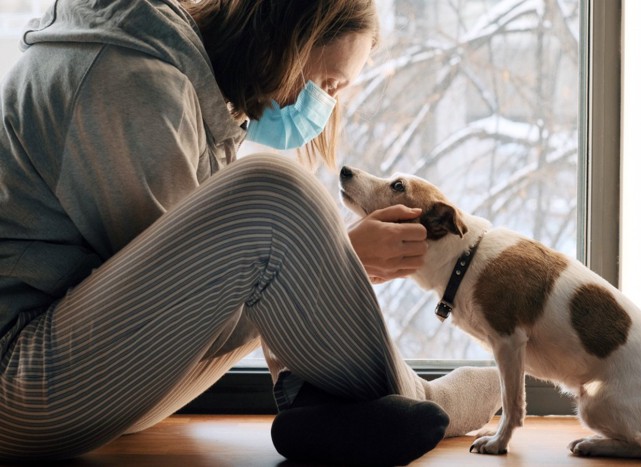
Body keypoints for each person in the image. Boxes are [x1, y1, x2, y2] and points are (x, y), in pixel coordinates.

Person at [0, 0, 502, 465]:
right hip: (18, 382)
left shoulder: (177, 89)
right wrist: (337, 259)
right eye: (327, 84)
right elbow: (194, 304)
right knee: (274, 191)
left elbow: (190, 295)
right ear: (288, 42)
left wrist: (322, 264)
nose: (324, 107)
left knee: (278, 210)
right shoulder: (130, 82)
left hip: (68, 378)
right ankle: (423, 401)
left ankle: (321, 409)